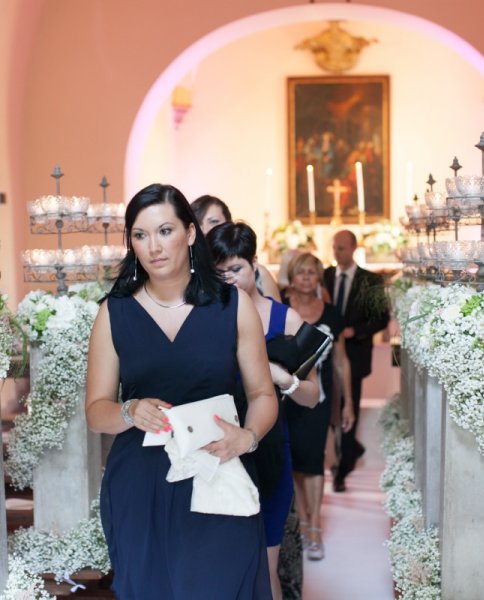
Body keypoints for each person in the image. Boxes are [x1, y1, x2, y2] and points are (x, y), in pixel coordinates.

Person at [85, 183, 278, 599]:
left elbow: (263, 394)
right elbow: (96, 410)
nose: (154, 246)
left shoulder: (232, 305)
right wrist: (129, 410)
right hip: (140, 483)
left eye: (165, 231)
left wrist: (247, 437)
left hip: (217, 473)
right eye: (140, 235)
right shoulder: (114, 312)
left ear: (190, 234)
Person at [207, 222, 319, 600]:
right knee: (222, 563)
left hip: (270, 449)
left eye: (236, 269)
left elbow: (312, 396)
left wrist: (281, 378)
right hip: (217, 452)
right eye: (219, 273)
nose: (229, 280)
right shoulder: (203, 319)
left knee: (266, 564)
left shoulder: (285, 320)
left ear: (255, 264)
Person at [282, 252, 354, 560]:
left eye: (312, 273)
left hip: (318, 399)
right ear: (292, 277)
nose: (307, 278)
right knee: (294, 462)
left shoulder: (332, 314)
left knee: (314, 460)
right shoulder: (281, 310)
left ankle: (315, 526)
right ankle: (301, 522)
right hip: (284, 399)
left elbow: (341, 361)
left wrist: (348, 403)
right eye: (301, 273)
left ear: (318, 278)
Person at [323, 230, 390, 492]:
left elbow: (381, 318)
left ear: (353, 248)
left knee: (347, 408)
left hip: (354, 353)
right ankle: (350, 450)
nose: (337, 253)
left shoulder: (370, 280)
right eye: (334, 248)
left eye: (341, 248)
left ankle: (342, 468)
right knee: (331, 408)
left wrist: (354, 331)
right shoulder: (326, 275)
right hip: (328, 354)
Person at [191, 194, 281, 302]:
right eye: (198, 223)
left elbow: (275, 314)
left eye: (214, 221)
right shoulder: (190, 272)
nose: (205, 229)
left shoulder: (259, 274)